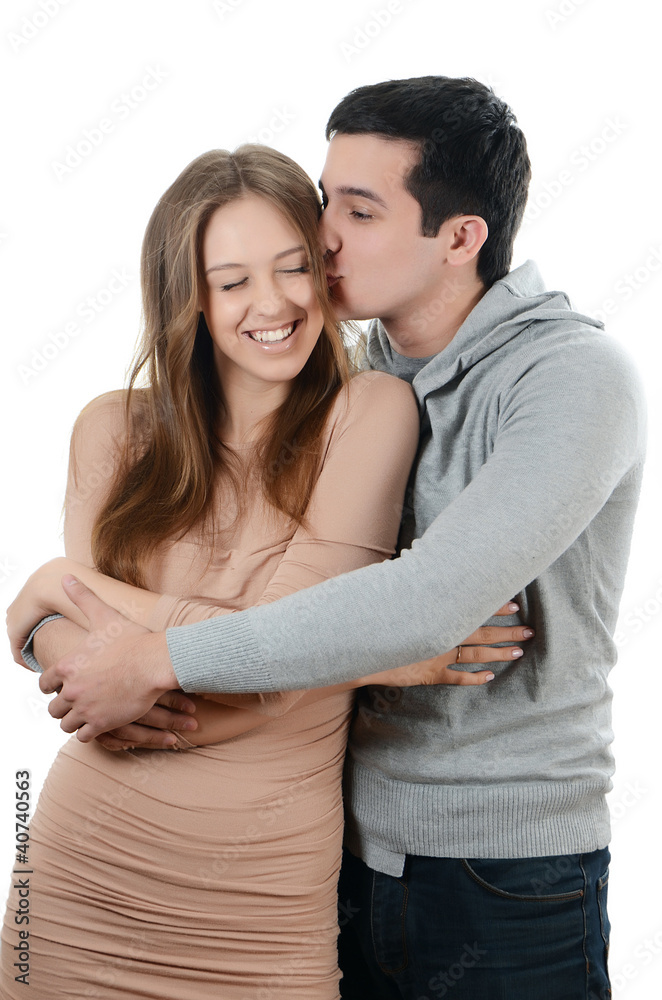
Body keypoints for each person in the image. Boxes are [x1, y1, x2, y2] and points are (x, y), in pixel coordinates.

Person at [9, 76, 645, 999]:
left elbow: (424, 604)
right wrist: (46, 622)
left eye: (359, 209)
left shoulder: (570, 378)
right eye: (324, 199)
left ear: (460, 237)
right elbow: (321, 624)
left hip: (500, 870)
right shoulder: (365, 367)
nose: (324, 236)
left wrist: (132, 644)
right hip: (339, 850)